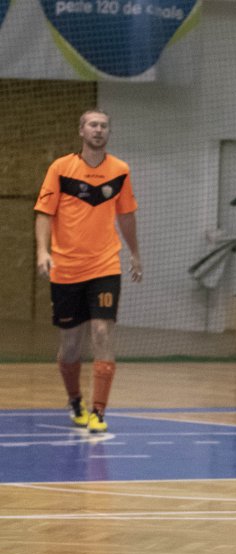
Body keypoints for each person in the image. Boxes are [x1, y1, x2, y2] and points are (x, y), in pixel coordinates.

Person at [34, 109, 142, 435]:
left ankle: (99, 410)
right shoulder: (61, 168)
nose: (98, 130)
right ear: (81, 130)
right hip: (66, 268)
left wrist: (135, 253)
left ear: (108, 132)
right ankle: (75, 401)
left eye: (104, 126)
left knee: (101, 332)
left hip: (105, 265)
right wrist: (43, 251)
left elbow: (126, 216)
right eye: (93, 125)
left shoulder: (120, 170)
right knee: (70, 344)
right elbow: (44, 212)